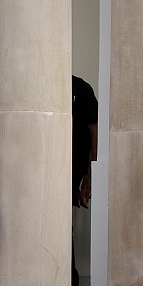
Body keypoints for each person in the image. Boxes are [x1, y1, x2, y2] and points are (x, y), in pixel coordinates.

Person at [71, 75, 98, 286]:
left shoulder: (80, 88)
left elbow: (94, 130)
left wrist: (91, 175)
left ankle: (69, 279)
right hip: (37, 167)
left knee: (62, 226)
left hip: (72, 167)